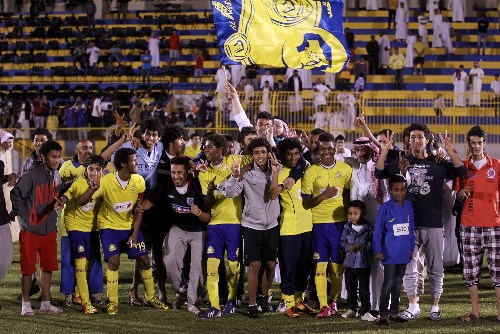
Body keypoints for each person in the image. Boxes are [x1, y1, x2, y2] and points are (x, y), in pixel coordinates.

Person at [375, 123, 466, 322]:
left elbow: (461, 170)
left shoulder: (439, 161)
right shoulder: (402, 161)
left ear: (428, 140)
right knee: (409, 268)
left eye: (420, 137)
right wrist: (383, 152)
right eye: (412, 137)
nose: (416, 140)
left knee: (435, 268)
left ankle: (435, 306)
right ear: (409, 141)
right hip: (408, 224)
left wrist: (449, 151)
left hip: (433, 222)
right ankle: (413, 305)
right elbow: (380, 173)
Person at [79, 147, 168, 314]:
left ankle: (151, 297)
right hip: (109, 228)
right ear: (123, 164)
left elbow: (139, 209)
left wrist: (134, 234)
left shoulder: (138, 182)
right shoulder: (105, 182)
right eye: (134, 160)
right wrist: (91, 189)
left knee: (144, 260)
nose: (137, 163)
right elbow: (82, 202)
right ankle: (112, 302)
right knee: (114, 262)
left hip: (129, 227)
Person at [139, 156, 209, 315]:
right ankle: (182, 291)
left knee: (197, 266)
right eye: (173, 172)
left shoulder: (197, 186)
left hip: (199, 230)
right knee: (169, 261)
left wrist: (199, 213)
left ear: (188, 173)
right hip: (178, 227)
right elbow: (147, 204)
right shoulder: (166, 186)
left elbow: (208, 217)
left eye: (180, 172)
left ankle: (192, 302)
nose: (176, 176)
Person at [225, 138, 281, 318]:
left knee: (271, 265)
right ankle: (252, 304)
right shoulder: (246, 174)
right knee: (255, 265)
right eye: (256, 153)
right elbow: (230, 192)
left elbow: (273, 196)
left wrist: (275, 174)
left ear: (268, 153)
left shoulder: (277, 170)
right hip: (251, 225)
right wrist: (234, 176)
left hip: (272, 224)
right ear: (251, 156)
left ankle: (264, 298)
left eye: (263, 152)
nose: (260, 156)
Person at [302, 132, 352, 318]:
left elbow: (347, 196)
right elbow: (306, 204)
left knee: (337, 269)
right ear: (318, 149)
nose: (326, 152)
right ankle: (323, 305)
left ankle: (333, 301)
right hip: (318, 225)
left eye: (329, 148)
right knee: (320, 266)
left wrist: (349, 220)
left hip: (339, 225)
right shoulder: (311, 171)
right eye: (322, 148)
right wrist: (324, 195)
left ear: (335, 147)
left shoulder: (346, 169)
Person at [11, 141, 64, 316]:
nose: (57, 160)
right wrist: (26, 217)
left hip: (49, 229)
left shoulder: (56, 174)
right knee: (27, 269)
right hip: (31, 231)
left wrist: (61, 202)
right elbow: (16, 194)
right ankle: (25, 305)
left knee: (47, 267)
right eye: (53, 157)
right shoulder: (31, 174)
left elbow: (58, 195)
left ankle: (46, 303)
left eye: (58, 156)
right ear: (43, 157)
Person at [456, 125, 500, 322]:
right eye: (472, 143)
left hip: (494, 224)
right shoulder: (463, 168)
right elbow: (456, 195)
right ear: (469, 144)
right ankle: (475, 312)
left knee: (497, 272)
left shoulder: (497, 166)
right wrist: (460, 194)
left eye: (479, 142)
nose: (476, 146)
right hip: (469, 225)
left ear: (485, 143)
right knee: (470, 272)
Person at [197, 134, 243, 318]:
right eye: (204, 147)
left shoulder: (234, 160)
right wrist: (209, 190)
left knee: (233, 265)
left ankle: (231, 300)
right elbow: (208, 204)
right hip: (215, 224)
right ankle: (215, 306)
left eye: (209, 147)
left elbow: (249, 163)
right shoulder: (204, 172)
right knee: (212, 265)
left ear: (220, 149)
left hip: (234, 223)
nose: (205, 150)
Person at [55, 155, 106, 314]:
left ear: (102, 171)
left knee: (89, 262)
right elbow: (69, 195)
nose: (94, 173)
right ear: (86, 170)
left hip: (91, 228)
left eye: (98, 170)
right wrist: (62, 200)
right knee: (79, 262)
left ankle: (79, 294)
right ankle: (85, 303)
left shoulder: (105, 183)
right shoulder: (79, 183)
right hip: (74, 225)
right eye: (91, 169)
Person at [275, 138, 314, 318]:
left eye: (296, 154)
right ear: (283, 155)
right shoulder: (280, 173)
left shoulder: (305, 168)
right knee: (289, 266)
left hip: (307, 225)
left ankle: (299, 300)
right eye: (289, 154)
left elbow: (307, 160)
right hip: (289, 227)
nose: (293, 157)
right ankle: (288, 302)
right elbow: (273, 193)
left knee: (305, 266)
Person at [373, 175, 415, 326]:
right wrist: (377, 249)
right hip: (390, 252)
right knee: (389, 282)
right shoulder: (385, 207)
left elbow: (410, 228)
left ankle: (394, 313)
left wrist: (411, 247)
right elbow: (377, 230)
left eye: (402, 190)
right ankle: (383, 315)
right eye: (396, 190)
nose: (399, 193)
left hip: (404, 251)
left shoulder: (409, 206)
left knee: (398, 283)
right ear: (390, 191)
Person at [341, 200, 377, 321]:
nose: (352, 216)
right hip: (349, 263)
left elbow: (372, 245)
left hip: (363, 264)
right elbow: (343, 242)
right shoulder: (347, 227)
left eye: (355, 213)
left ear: (362, 214)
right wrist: (348, 247)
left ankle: (365, 311)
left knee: (364, 289)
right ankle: (352, 308)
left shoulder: (368, 228)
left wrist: (361, 246)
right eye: (350, 213)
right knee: (350, 287)